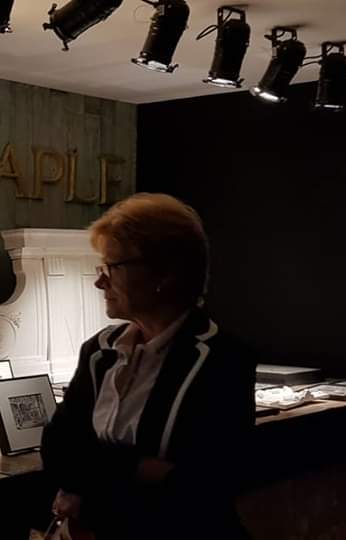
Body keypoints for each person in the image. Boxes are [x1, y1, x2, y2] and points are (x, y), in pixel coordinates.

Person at [40, 193, 254, 540]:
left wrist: (89, 495)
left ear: (164, 274)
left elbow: (199, 490)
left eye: (112, 267)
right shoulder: (99, 351)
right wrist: (140, 467)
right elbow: (57, 449)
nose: (100, 281)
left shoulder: (222, 360)